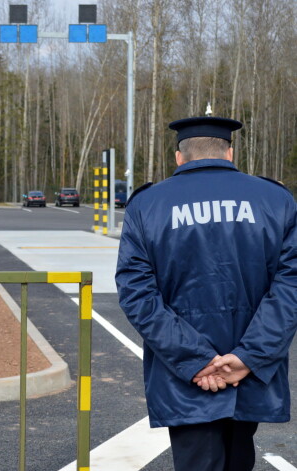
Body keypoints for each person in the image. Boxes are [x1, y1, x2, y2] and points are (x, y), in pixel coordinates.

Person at [115, 116, 297, 471]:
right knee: (240, 455)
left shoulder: (147, 204)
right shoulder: (276, 199)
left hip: (184, 374)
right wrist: (247, 357)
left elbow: (137, 293)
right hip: (250, 369)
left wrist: (197, 360)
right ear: (230, 152)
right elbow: (290, 286)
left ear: (179, 157)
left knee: (197, 459)